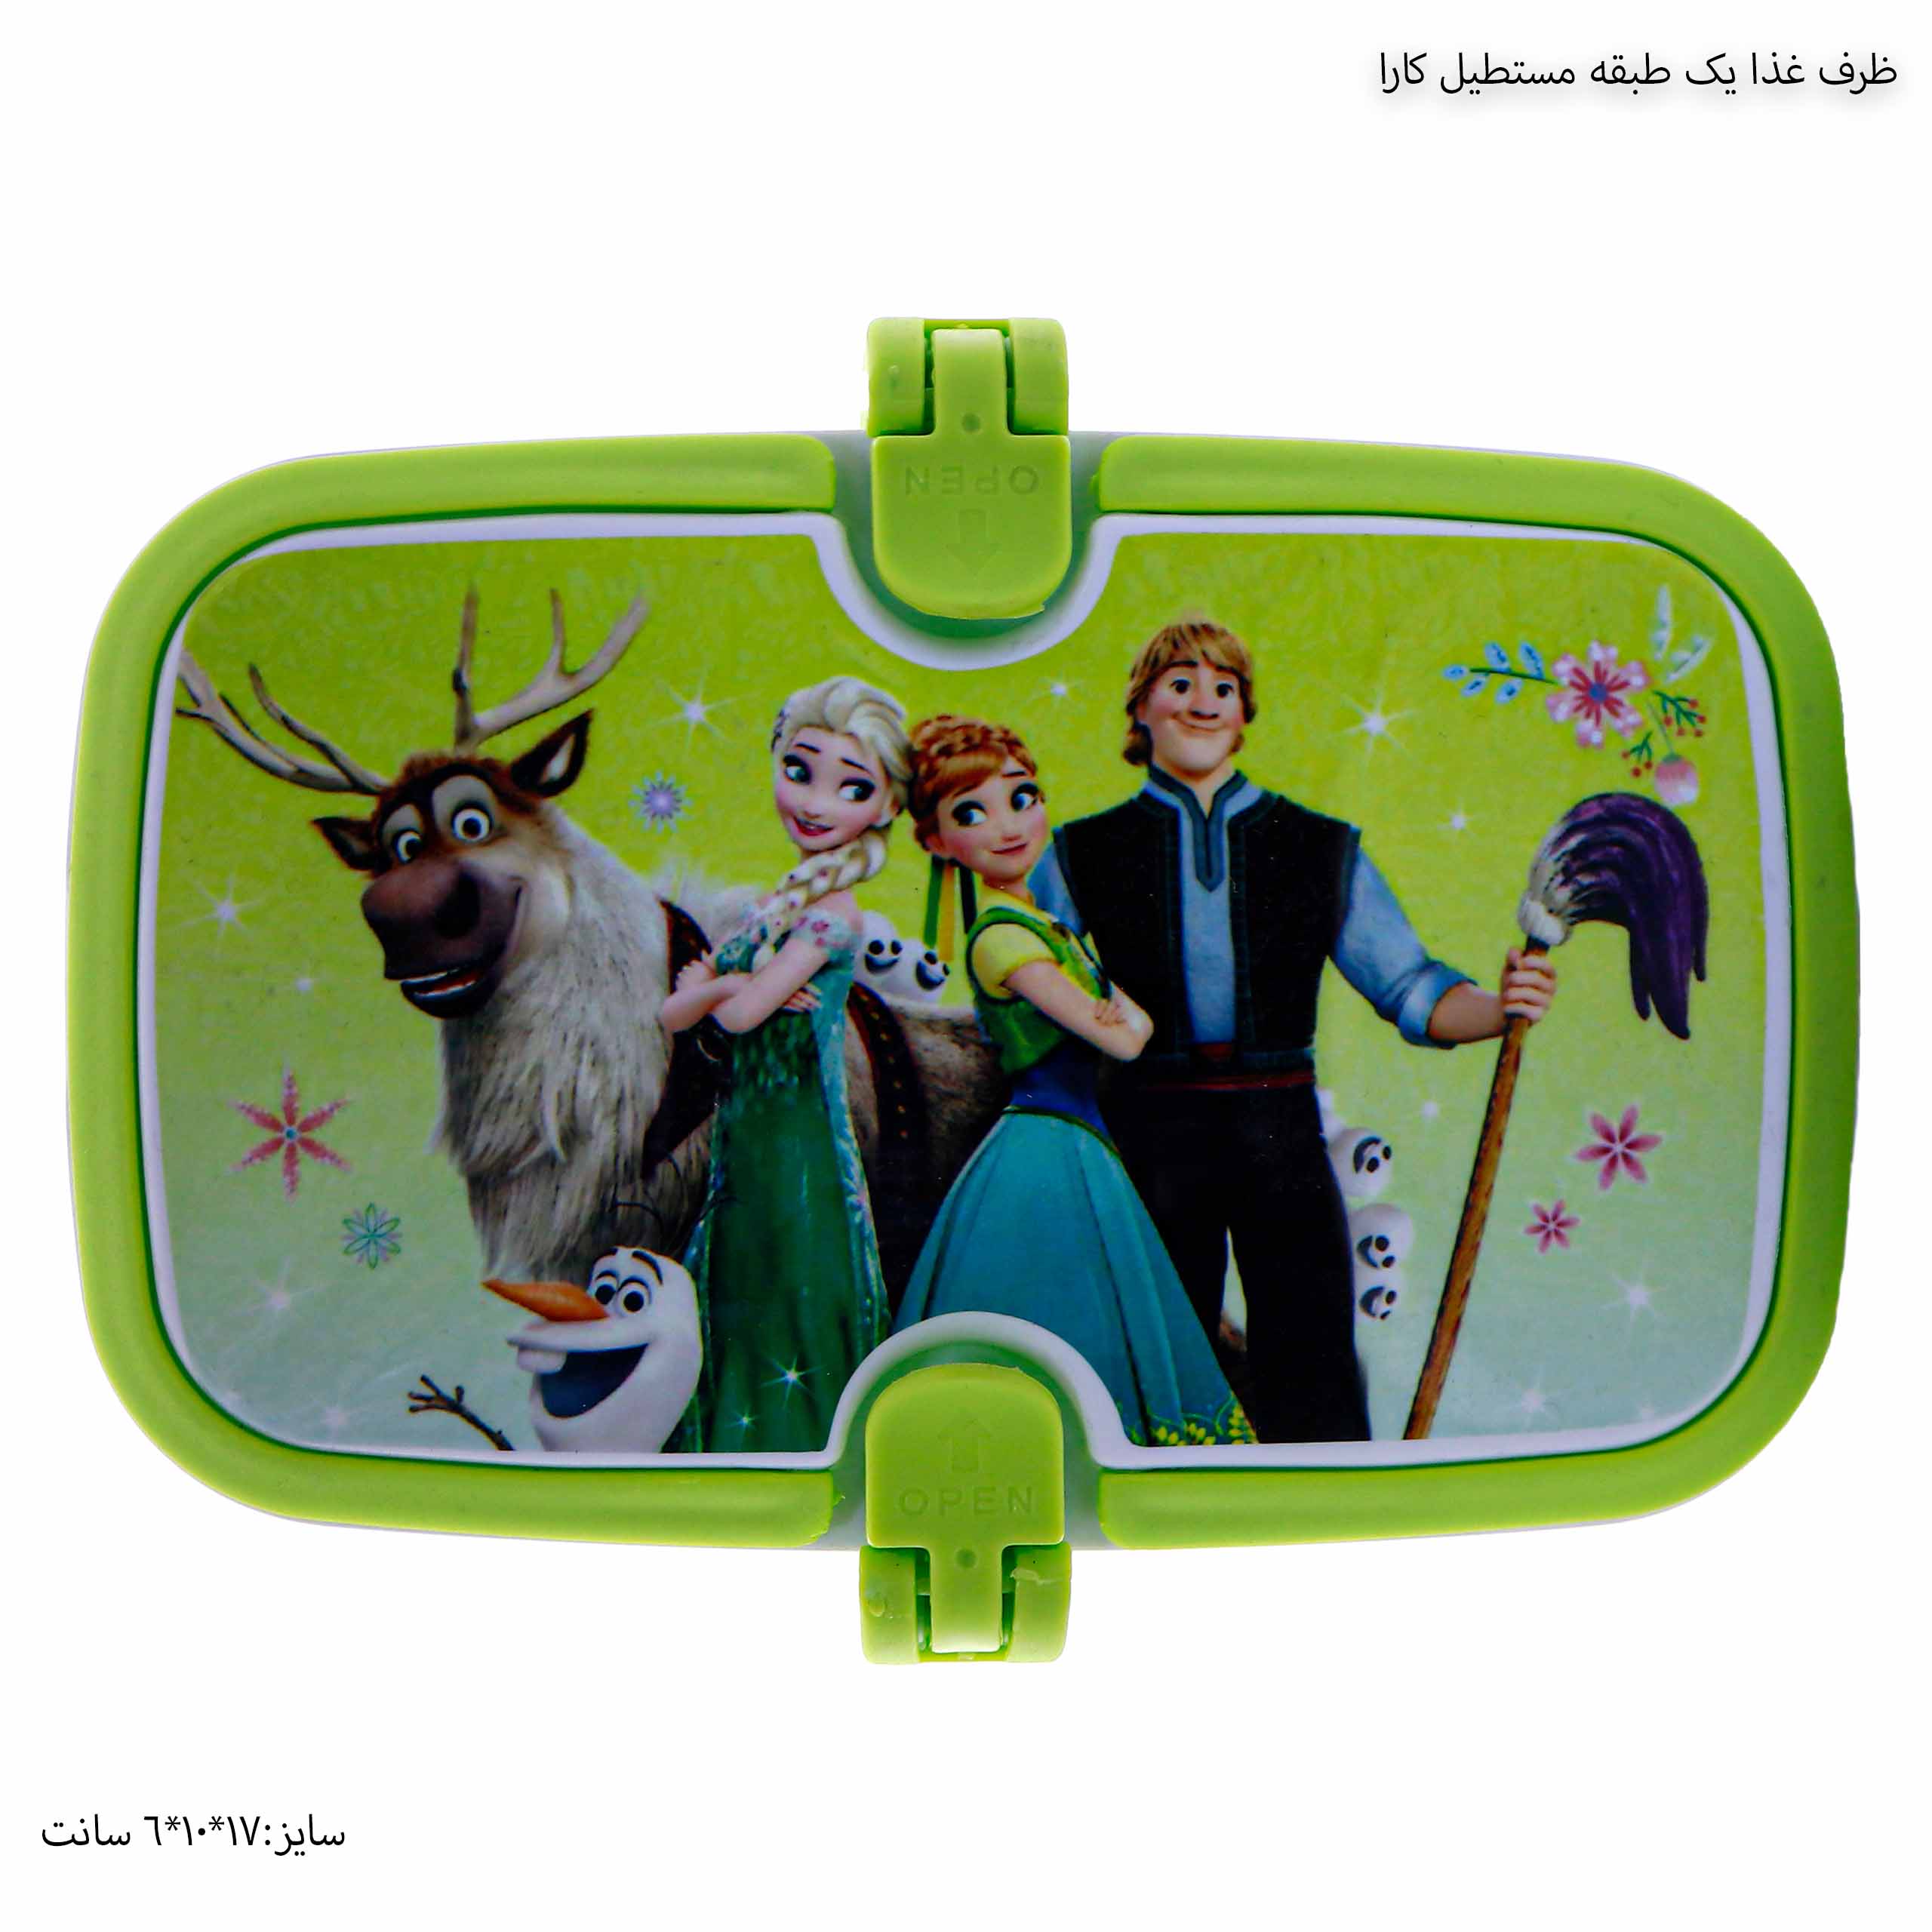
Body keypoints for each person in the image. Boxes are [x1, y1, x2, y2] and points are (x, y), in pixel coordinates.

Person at [1030, 620, 1557, 1441]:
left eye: (1223, 687)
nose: (1202, 702)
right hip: (1145, 1125)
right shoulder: (1079, 852)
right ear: (1139, 709)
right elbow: (1022, 977)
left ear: (1245, 714)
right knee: (1148, 1338)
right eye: (1179, 683)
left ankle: (1326, 1491)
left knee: (1309, 1338)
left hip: (1275, 1121)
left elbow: (1407, 983)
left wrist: (1498, 1008)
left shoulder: (1319, 847)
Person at [893, 714, 1254, 1449]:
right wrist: (1116, 1012)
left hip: (1081, 1148)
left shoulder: (1047, 929)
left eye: (1021, 798)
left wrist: (1122, 1015)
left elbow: (1135, 1024)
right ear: (936, 842)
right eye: (971, 813)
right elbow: (1121, 1033)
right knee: (1050, 1316)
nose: (1007, 825)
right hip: (1043, 1154)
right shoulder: (1003, 938)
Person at [660, 675, 911, 1451]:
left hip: (798, 1140)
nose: (816, 802)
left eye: (851, 786)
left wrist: (720, 988)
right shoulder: (777, 906)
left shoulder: (833, 915)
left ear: (886, 806)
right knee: (739, 1279)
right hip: (748, 1135)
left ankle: (793, 1442)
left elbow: (733, 1015)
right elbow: (674, 1014)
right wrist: (724, 989)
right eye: (799, 771)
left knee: (788, 1284)